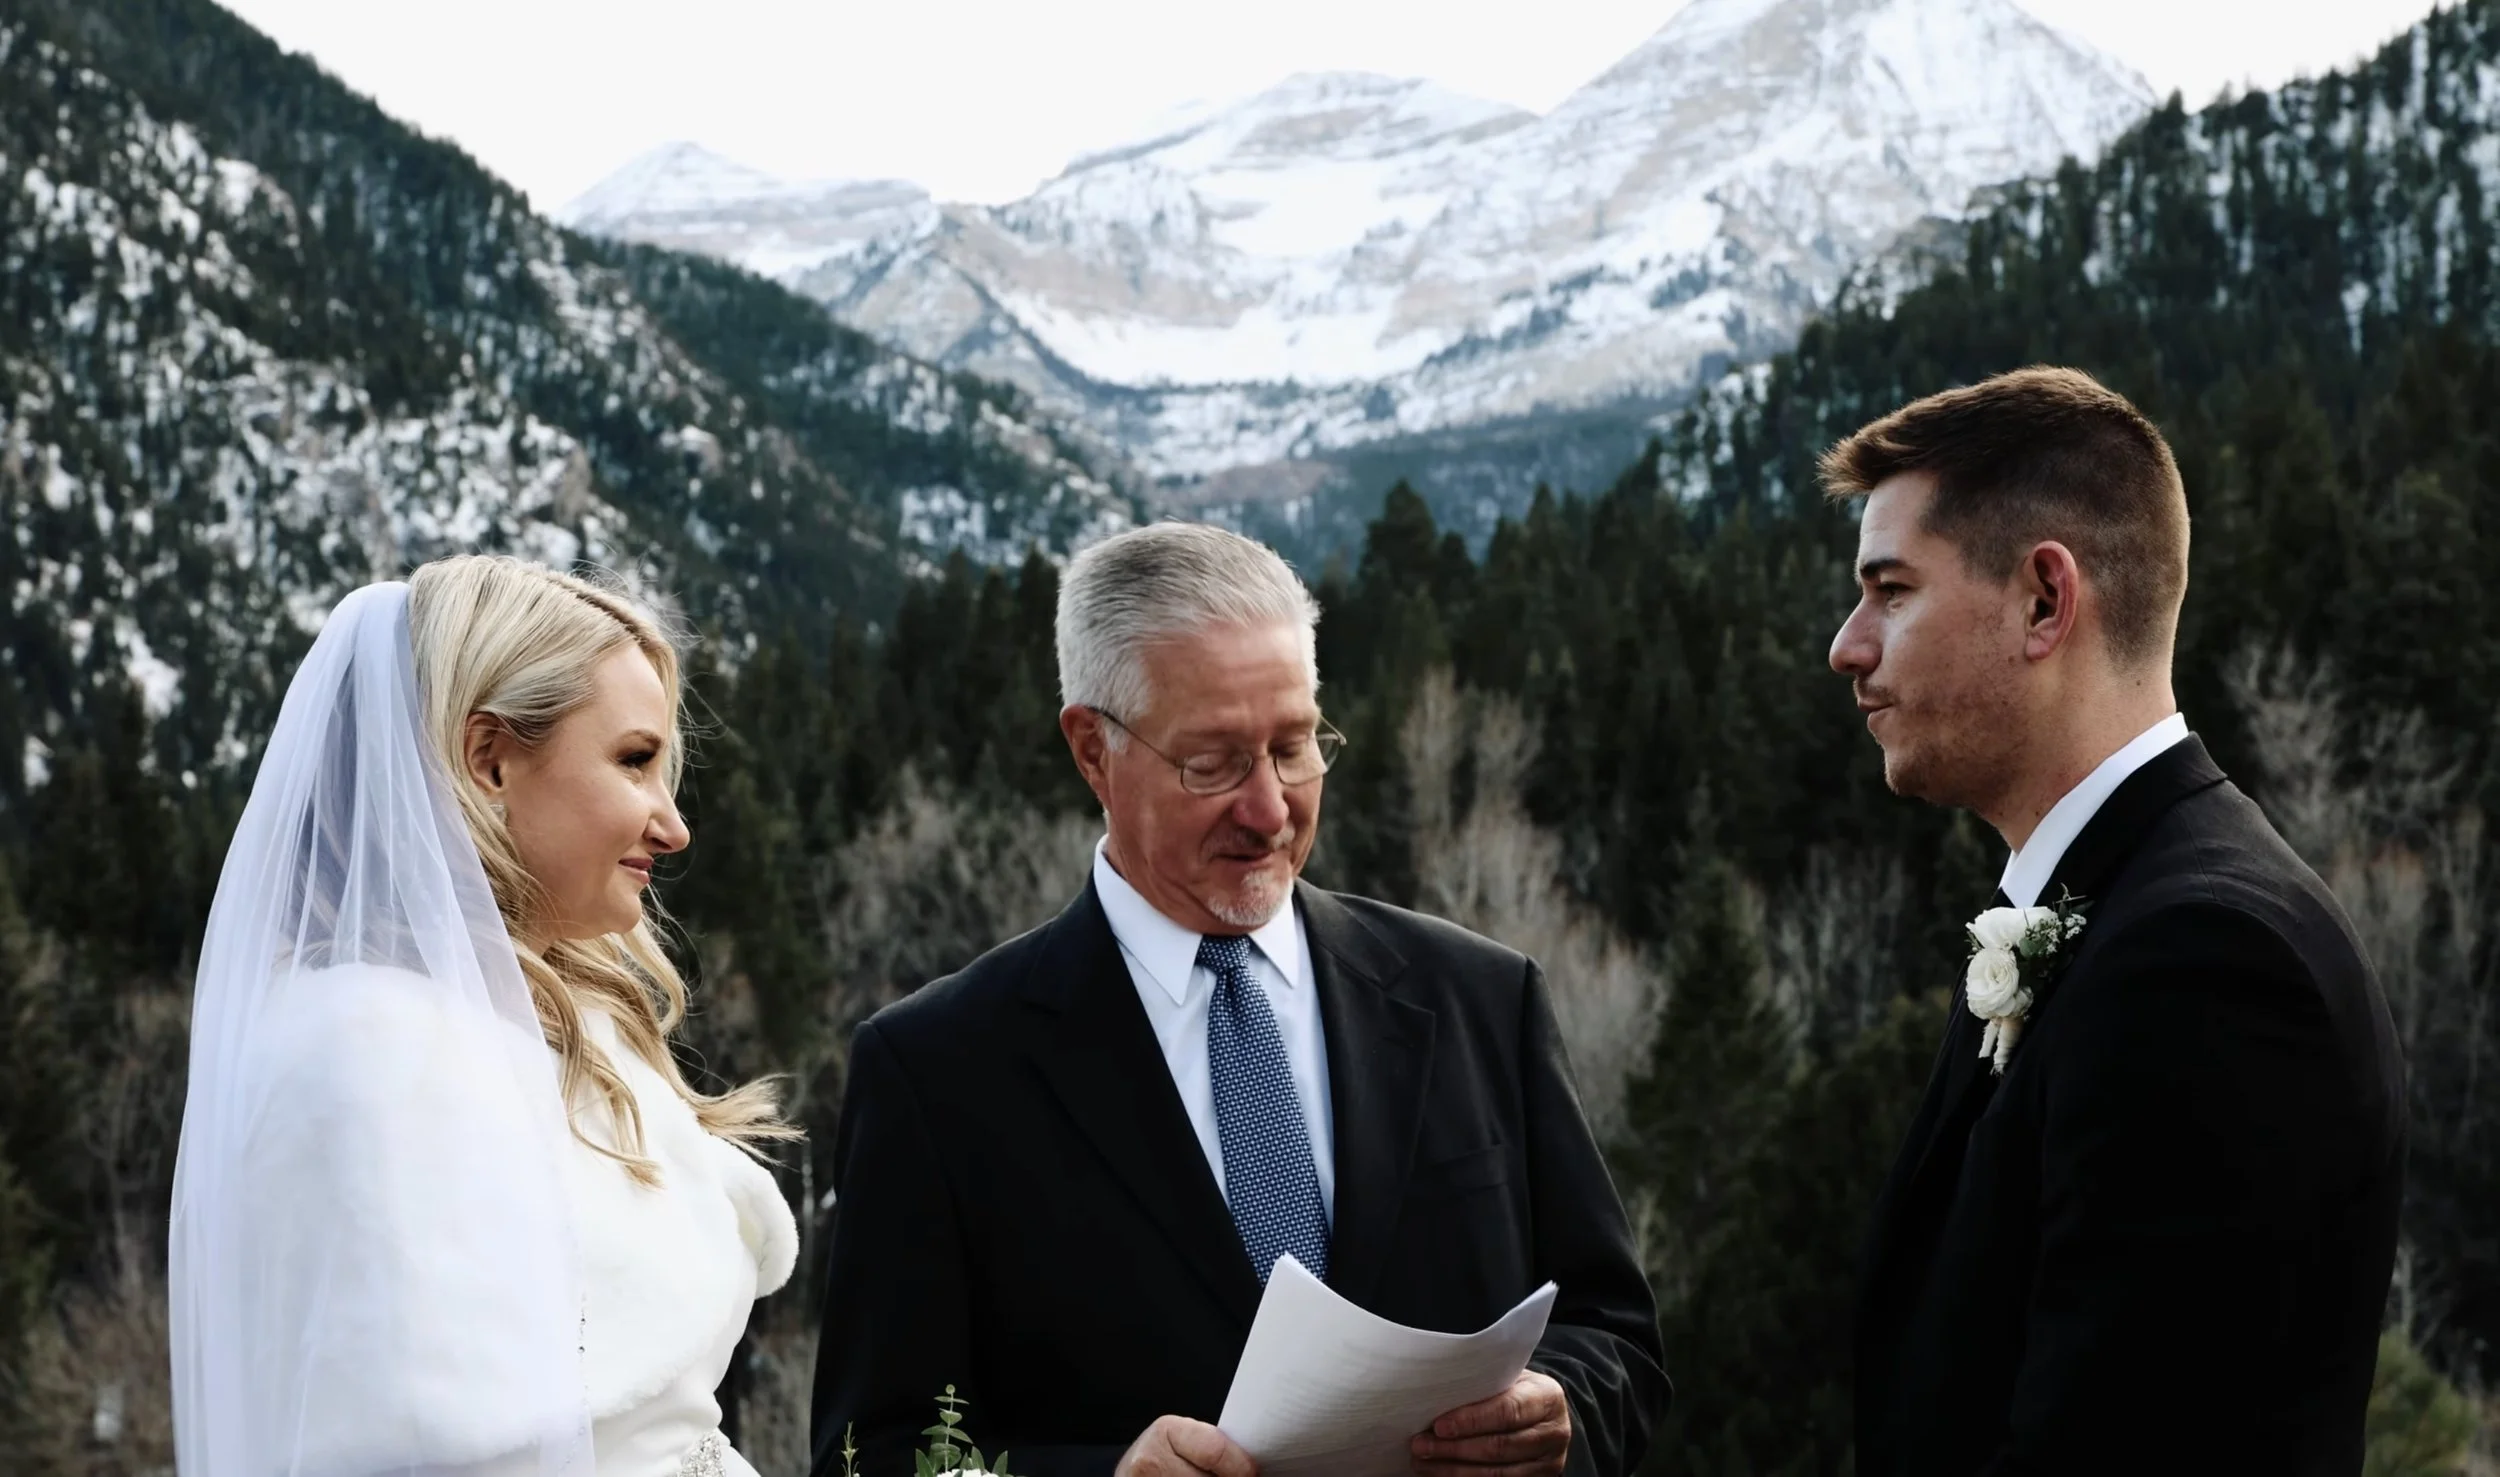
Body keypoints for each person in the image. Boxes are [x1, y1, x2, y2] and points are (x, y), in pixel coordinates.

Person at [810, 522, 1668, 1477]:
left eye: (1295, 747)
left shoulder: (1481, 998)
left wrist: (1562, 1411)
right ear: (1093, 749)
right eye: (1212, 763)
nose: (1270, 809)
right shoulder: (938, 1071)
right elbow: (869, 1455)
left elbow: (1615, 1335)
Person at [1827, 368, 2405, 1475]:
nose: (1848, 645)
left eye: (1890, 590)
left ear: (2046, 599)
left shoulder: (2205, 967)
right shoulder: (2104, 909)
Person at [170, 557, 800, 1477]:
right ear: (489, 758)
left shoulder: (576, 1025)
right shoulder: (372, 1051)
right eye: (634, 761)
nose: (674, 825)